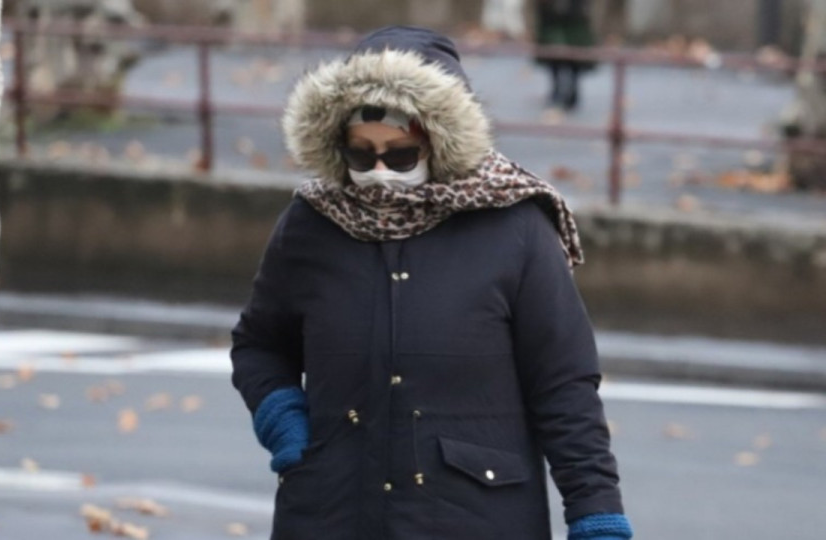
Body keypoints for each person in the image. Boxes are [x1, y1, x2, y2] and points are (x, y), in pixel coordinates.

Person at [230, 25, 632, 540]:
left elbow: (564, 385)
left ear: (439, 142)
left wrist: (595, 511)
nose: (379, 172)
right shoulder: (310, 224)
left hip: (476, 519)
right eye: (361, 154)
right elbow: (260, 343)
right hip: (330, 512)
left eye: (399, 154)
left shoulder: (516, 227)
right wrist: (282, 416)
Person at [535, 0, 597, 110]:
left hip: (574, 24)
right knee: (553, 60)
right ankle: (557, 92)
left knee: (574, 62)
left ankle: (572, 95)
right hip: (553, 24)